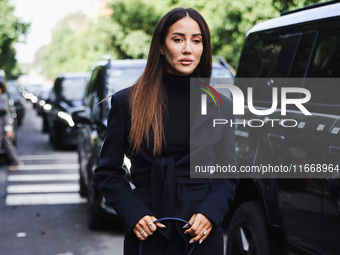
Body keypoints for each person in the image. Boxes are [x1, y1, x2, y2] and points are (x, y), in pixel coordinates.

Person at [95, 7, 238, 255]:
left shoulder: (221, 105)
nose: (188, 49)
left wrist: (210, 213)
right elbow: (108, 171)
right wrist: (134, 213)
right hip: (148, 227)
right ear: (161, 46)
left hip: (201, 230)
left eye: (196, 40)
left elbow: (228, 172)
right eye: (178, 39)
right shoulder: (127, 102)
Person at [0, 81, 21, 171]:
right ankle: (16, 161)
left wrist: (8, 128)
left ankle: (16, 161)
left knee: (7, 143)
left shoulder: (3, 98)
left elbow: (6, 114)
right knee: (7, 144)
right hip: (3, 126)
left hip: (3, 126)